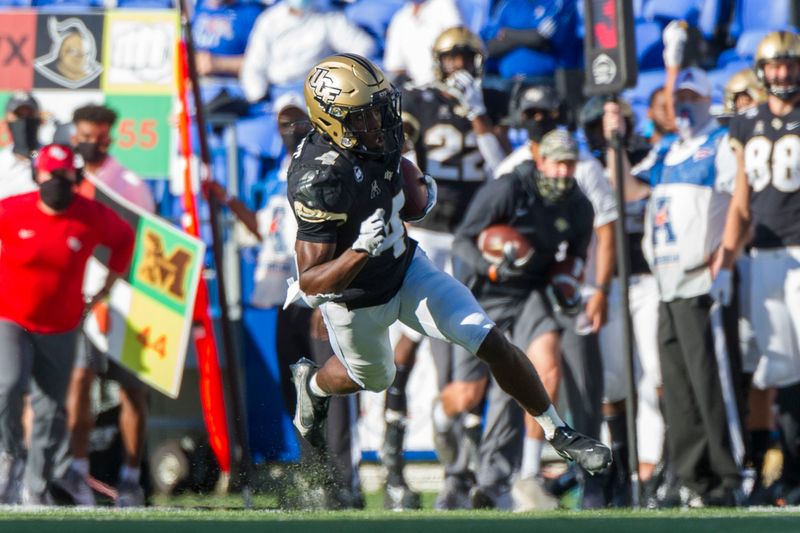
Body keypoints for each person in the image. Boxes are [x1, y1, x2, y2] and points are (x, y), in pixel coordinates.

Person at [285, 55, 611, 500]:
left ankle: (559, 432)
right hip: (354, 298)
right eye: (366, 114)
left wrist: (415, 188)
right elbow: (310, 282)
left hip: (407, 269)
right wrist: (360, 248)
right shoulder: (317, 177)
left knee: (488, 338)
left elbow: (401, 179)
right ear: (334, 120)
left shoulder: (375, 138)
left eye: (382, 107)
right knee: (373, 379)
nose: (381, 120)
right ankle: (315, 384)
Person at [207, 93, 364, 508]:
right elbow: (265, 229)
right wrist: (225, 197)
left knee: (332, 389)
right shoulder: (274, 176)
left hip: (322, 294)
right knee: (298, 391)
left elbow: (339, 232)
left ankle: (344, 482)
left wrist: (326, 297)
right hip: (287, 297)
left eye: (297, 121)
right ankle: (316, 479)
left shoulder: (327, 165)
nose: (290, 130)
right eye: (283, 123)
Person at [380, 26, 508, 511]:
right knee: (405, 342)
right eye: (449, 58)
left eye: (464, 57)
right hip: (427, 234)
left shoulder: (491, 100)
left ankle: (465, 468)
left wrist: (479, 113)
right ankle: (394, 467)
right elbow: (400, 162)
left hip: (474, 238)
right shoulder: (418, 101)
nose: (457, 66)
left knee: (469, 341)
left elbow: (504, 167)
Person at [482, 85, 615, 510]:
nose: (539, 119)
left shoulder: (584, 166)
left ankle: (590, 478)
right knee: (526, 379)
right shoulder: (513, 166)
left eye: (546, 112)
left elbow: (606, 230)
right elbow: (487, 231)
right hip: (524, 294)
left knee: (584, 388)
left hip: (570, 286)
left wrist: (598, 287)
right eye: (532, 112)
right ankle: (519, 476)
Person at [450, 129, 597, 511]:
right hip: (485, 292)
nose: (564, 172)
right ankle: (442, 419)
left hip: (532, 291)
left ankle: (521, 477)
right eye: (557, 163)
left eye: (570, 164)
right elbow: (463, 240)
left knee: (543, 368)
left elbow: (576, 255)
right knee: (469, 394)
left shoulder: (579, 205)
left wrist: (568, 280)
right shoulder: (509, 188)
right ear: (541, 160)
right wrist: (492, 267)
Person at [0, 144, 134, 505]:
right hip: (10, 317)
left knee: (51, 408)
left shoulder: (90, 215)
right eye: (51, 175)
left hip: (61, 324)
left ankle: (35, 485)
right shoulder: (13, 210)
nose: (57, 182)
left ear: (74, 178)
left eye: (65, 176)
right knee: (7, 385)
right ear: (37, 175)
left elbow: (124, 239)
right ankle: (8, 455)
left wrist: (105, 289)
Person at [638, 66, 742, 506]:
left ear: (707, 101)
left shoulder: (720, 145)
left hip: (702, 278)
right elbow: (628, 188)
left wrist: (727, 256)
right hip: (666, 281)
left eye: (691, 97)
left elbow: (741, 199)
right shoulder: (666, 150)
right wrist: (610, 143)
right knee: (678, 384)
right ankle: (692, 476)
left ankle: (729, 475)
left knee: (710, 380)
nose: (682, 105)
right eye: (676, 97)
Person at [49, 105, 154, 507]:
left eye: (98, 137)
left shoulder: (130, 183)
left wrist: (121, 290)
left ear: (110, 137)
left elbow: (148, 244)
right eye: (83, 136)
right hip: (80, 299)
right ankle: (78, 473)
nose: (90, 143)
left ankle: (130, 478)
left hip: (125, 297)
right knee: (79, 382)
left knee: (131, 388)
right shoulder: (64, 182)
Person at [715, 30, 800, 505]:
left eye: (790, 65)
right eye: (775, 66)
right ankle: (784, 469)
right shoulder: (746, 124)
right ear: (762, 70)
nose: (782, 74)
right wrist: (726, 261)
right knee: (782, 366)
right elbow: (742, 203)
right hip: (765, 255)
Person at [583, 96, 663, 506]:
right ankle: (619, 465)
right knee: (613, 380)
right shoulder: (585, 166)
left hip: (646, 280)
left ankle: (650, 471)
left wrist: (618, 147)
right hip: (607, 282)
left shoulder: (645, 159)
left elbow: (630, 193)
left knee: (653, 376)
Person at [239, 0, 376, 102]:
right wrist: (259, 97)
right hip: (277, 94)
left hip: (320, 94)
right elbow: (254, 66)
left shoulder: (328, 16)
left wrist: (339, 77)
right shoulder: (269, 20)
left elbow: (363, 46)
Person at [382, 0, 463, 86]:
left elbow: (459, 46)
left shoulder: (445, 5)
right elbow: (395, 67)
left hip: (446, 88)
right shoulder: (399, 19)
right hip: (417, 92)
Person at [192, 0, 265, 78]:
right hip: (194, 84)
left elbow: (261, 62)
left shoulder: (251, 12)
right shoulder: (194, 7)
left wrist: (218, 64)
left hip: (232, 85)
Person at [0, 93, 41, 199]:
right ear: (7, 121)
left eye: (29, 115)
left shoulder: (51, 158)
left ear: (39, 120)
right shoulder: (1, 162)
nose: (24, 121)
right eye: (19, 116)